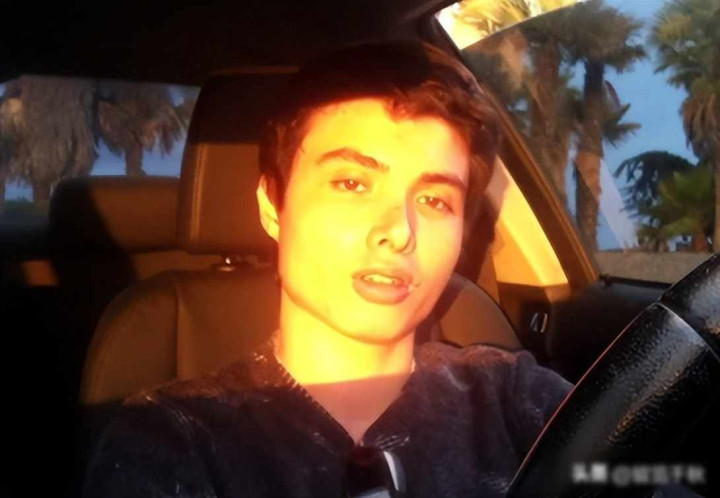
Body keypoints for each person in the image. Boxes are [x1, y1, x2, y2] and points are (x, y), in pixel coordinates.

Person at [83, 40, 572, 498]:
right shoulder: (172, 440)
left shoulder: (515, 397)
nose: (399, 231)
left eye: (434, 200)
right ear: (272, 206)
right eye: (352, 184)